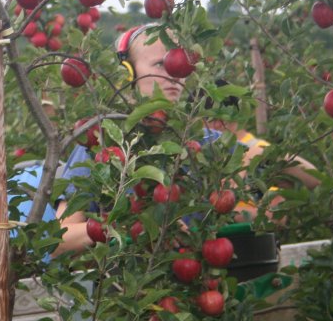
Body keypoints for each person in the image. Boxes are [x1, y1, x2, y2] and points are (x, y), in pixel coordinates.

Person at [54, 23, 318, 256]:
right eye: (161, 64)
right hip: (126, 294)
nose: (174, 73)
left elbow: (310, 179)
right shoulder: (99, 143)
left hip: (194, 287)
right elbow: (59, 240)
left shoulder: (206, 144)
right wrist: (124, 228)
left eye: (179, 64)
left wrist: (264, 155)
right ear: (128, 73)